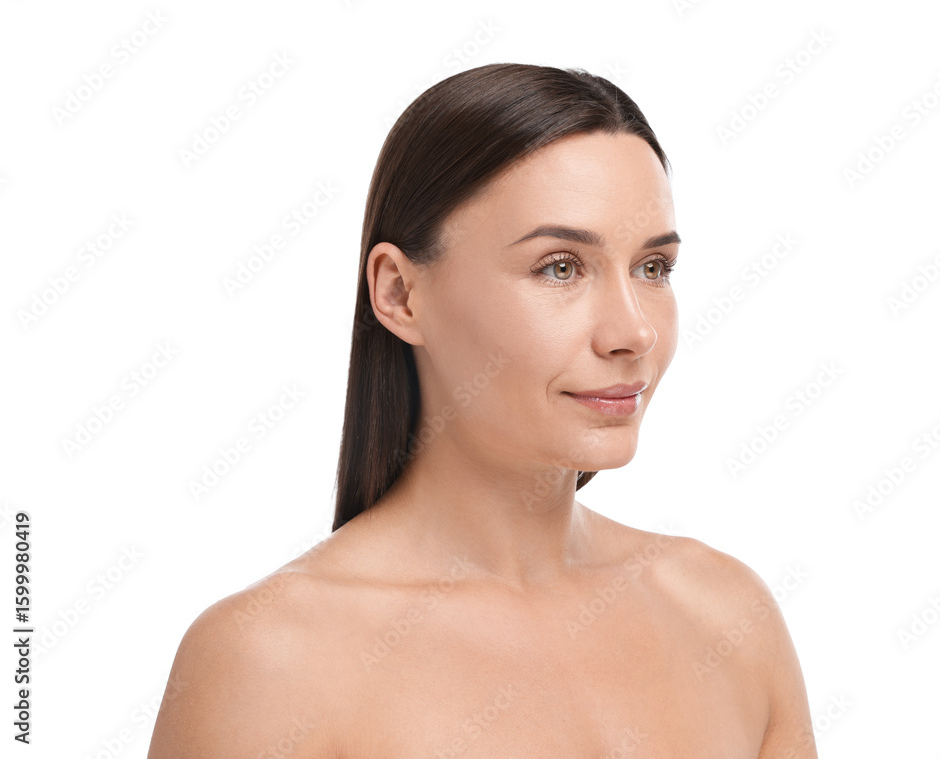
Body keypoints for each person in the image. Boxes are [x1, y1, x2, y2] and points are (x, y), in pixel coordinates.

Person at [148, 63, 818, 758]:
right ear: (400, 294)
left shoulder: (728, 619)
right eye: (560, 267)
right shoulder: (268, 663)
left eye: (653, 268)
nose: (634, 332)